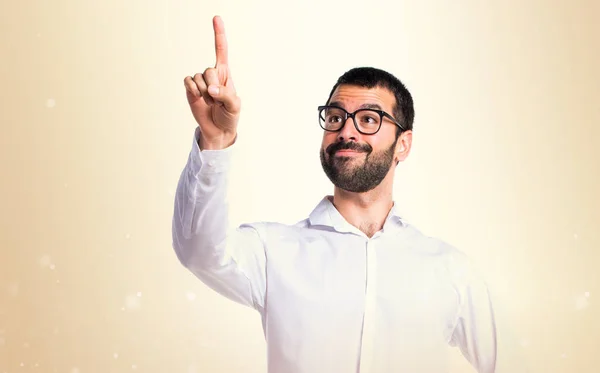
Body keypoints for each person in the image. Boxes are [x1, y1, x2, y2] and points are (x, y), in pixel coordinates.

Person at [172, 15, 498, 373]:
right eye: (336, 116)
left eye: (370, 119)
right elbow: (199, 252)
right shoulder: (273, 252)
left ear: (403, 144)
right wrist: (216, 141)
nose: (347, 131)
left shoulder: (451, 271)